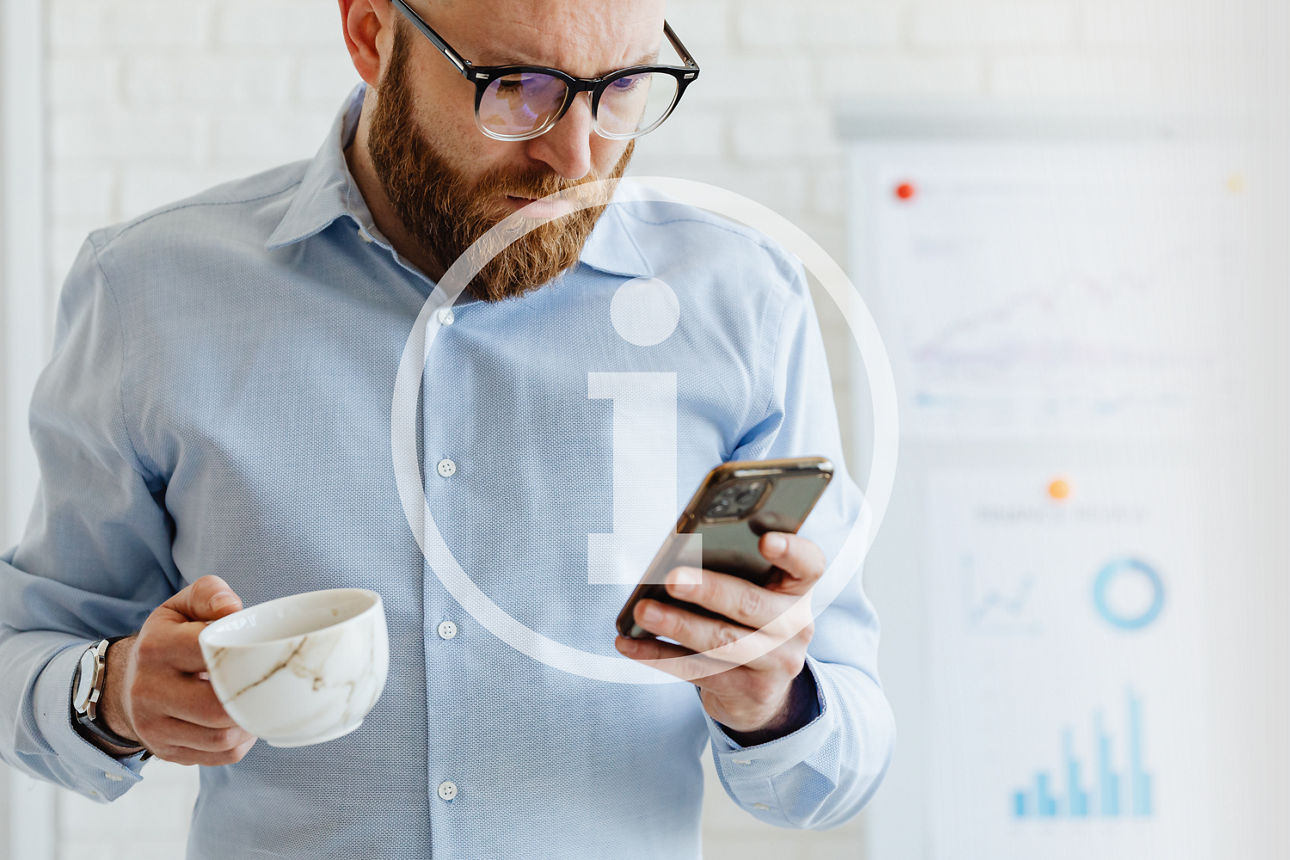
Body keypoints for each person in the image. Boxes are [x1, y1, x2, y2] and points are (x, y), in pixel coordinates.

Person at [0, 0, 895, 856]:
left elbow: (842, 762)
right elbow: (26, 649)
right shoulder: (151, 294)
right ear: (369, 35)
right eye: (516, 86)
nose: (576, 155)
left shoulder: (741, 302)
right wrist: (110, 692)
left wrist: (774, 699)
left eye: (623, 85)